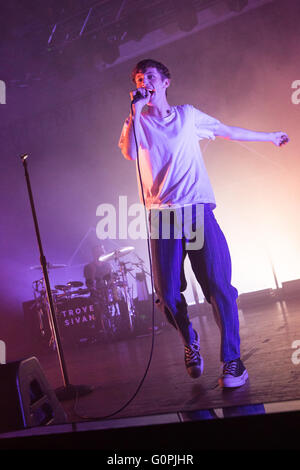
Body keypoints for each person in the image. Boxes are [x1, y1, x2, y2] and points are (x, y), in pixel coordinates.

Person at [118, 59, 289, 388]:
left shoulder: (187, 116)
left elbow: (226, 131)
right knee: (167, 294)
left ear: (166, 82)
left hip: (195, 211)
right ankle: (190, 341)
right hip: (163, 216)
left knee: (219, 287)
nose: (144, 82)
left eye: (150, 77)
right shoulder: (137, 121)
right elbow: (128, 151)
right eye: (139, 79)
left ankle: (233, 362)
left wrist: (270, 136)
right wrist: (135, 111)